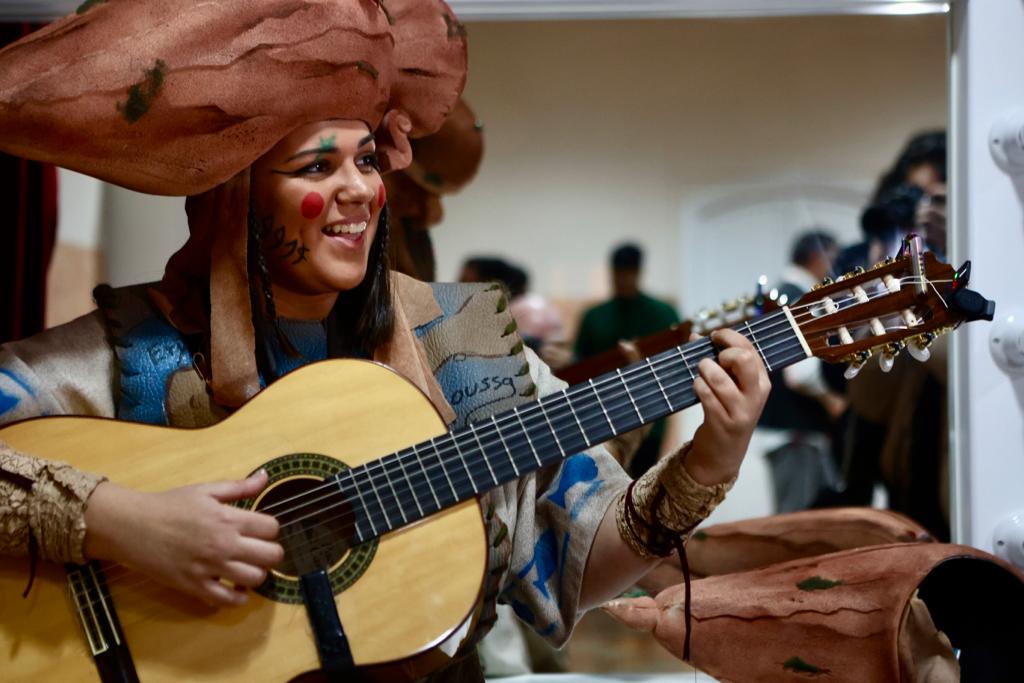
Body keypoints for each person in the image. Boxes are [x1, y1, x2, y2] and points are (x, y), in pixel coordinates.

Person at [0, 1, 770, 680]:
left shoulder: (467, 346)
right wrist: (122, 521)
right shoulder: (126, 350)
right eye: (317, 164)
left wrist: (709, 460)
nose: (360, 190)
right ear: (236, 196)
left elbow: (578, 556)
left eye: (367, 159)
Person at [757, 230, 846, 513]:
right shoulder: (802, 298)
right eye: (832, 259)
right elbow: (801, 373)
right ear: (817, 258)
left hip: (785, 433)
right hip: (798, 435)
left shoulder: (779, 294)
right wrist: (834, 401)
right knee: (800, 525)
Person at [574, 243, 682, 476]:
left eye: (628, 273)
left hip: (649, 418)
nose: (622, 279)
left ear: (638, 272)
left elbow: (675, 367)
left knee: (641, 484)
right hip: (599, 417)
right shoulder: (594, 316)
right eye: (618, 273)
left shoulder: (663, 314)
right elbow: (578, 366)